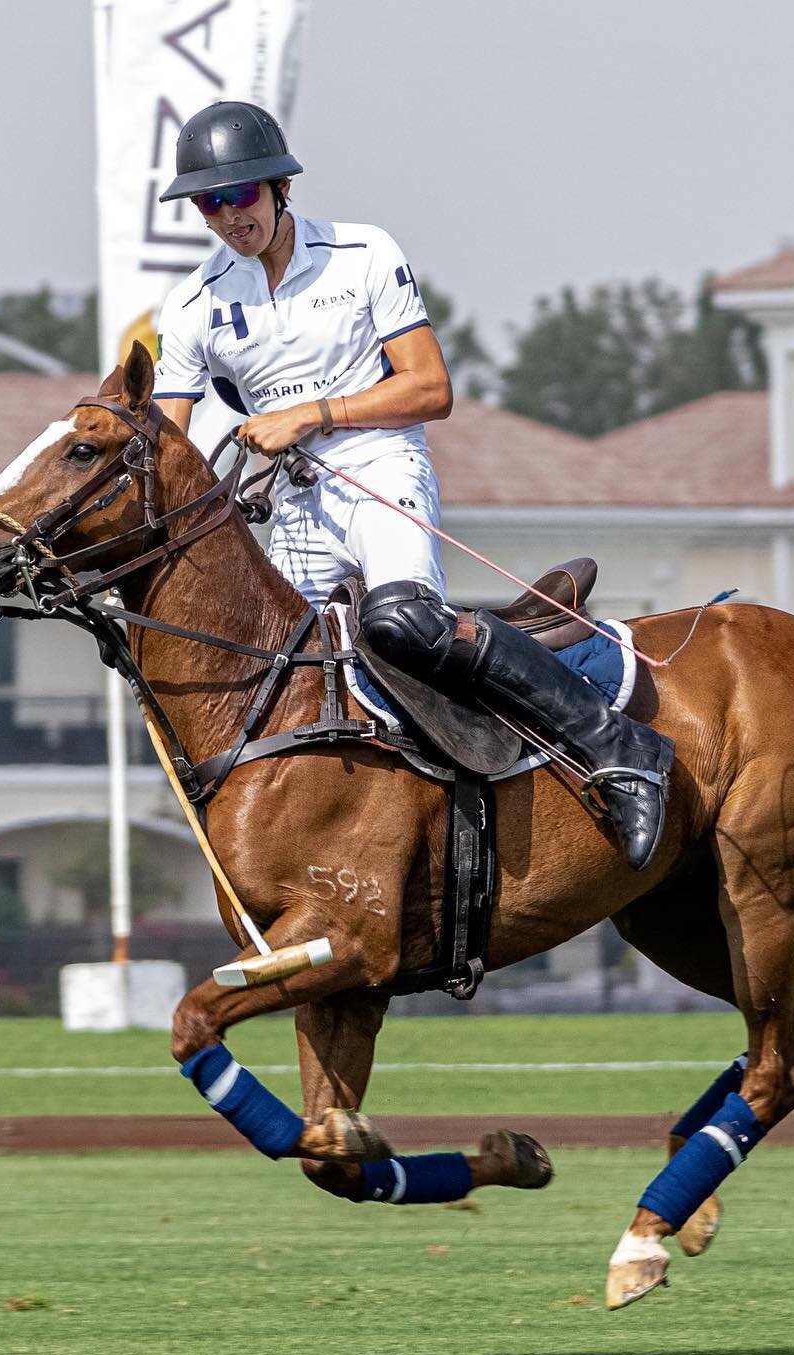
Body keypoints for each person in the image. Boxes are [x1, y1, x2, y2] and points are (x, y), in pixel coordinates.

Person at [153, 101, 672, 870]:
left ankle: (620, 749)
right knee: (272, 671)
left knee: (403, 625)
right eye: (209, 202)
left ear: (278, 188)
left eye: (240, 196)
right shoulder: (193, 305)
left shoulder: (362, 254)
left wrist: (311, 414)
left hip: (381, 468)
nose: (228, 216)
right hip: (294, 503)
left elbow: (431, 389)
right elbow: (164, 441)